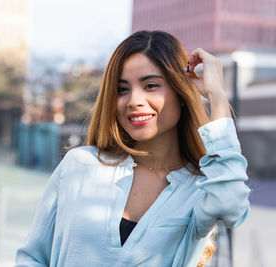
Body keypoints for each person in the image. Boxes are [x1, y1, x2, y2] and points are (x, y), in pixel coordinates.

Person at [15, 30, 250, 267]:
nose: (133, 100)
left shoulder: (200, 188)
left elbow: (231, 206)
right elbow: (32, 258)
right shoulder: (80, 165)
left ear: (180, 91)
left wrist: (217, 96)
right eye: (122, 90)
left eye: (150, 85)